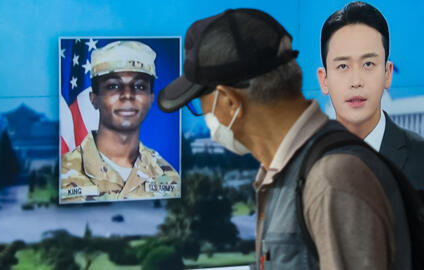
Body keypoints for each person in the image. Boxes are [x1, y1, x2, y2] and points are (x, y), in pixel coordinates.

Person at [157, 8, 411, 270]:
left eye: (200, 104)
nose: (206, 118)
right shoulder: (285, 172)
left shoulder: (331, 178)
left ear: (230, 102)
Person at [317, 1, 424, 191]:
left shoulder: (420, 157)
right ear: (324, 80)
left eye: (368, 64)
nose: (356, 81)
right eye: (343, 66)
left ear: (387, 73)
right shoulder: (303, 164)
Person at [60, 41, 180, 203]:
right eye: (114, 86)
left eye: (139, 86)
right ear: (94, 99)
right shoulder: (63, 173)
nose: (127, 95)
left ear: (151, 99)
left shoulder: (169, 177)